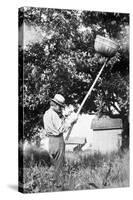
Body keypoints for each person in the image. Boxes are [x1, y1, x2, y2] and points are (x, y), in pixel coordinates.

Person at [43, 94, 77, 188]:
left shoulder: (46, 113)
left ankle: (52, 184)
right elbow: (62, 129)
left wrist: (65, 117)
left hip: (51, 141)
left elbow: (55, 125)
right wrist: (70, 121)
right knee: (59, 164)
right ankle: (59, 186)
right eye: (60, 107)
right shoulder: (54, 115)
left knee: (54, 164)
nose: (60, 109)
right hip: (58, 141)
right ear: (55, 104)